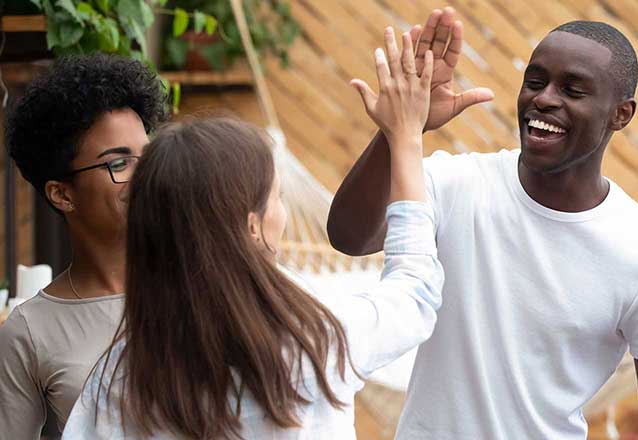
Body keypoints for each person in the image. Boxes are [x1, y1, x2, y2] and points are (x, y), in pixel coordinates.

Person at [329, 8, 638, 439]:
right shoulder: (456, 184)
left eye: (573, 90)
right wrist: (400, 129)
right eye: (536, 81)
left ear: (621, 114)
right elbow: (350, 236)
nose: (544, 99)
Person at [62, 31, 441, 439]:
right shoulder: (314, 344)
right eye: (277, 198)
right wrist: (405, 138)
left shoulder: (117, 380)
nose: (283, 211)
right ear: (252, 226)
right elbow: (415, 294)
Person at [0, 53, 166, 437]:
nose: (145, 176)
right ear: (62, 194)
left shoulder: (201, 286)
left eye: (149, 155)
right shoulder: (29, 332)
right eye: (119, 163)